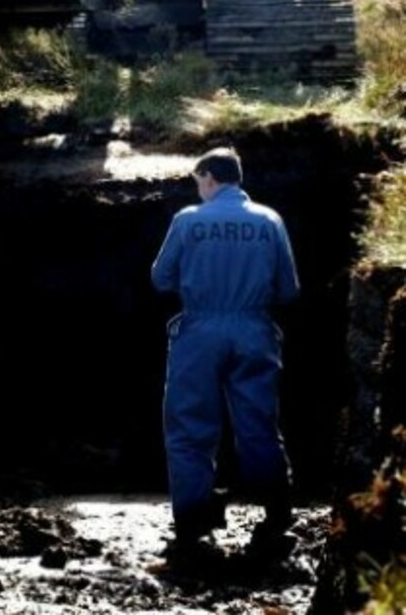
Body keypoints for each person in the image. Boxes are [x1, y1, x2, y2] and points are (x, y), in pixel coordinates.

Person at [151, 146, 300, 569]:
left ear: (210, 177)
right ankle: (276, 516)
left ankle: (194, 525)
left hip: (200, 331)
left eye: (199, 182)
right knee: (259, 425)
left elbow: (160, 279)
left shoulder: (188, 221)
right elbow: (288, 290)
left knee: (190, 427)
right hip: (254, 331)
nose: (198, 190)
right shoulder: (270, 220)